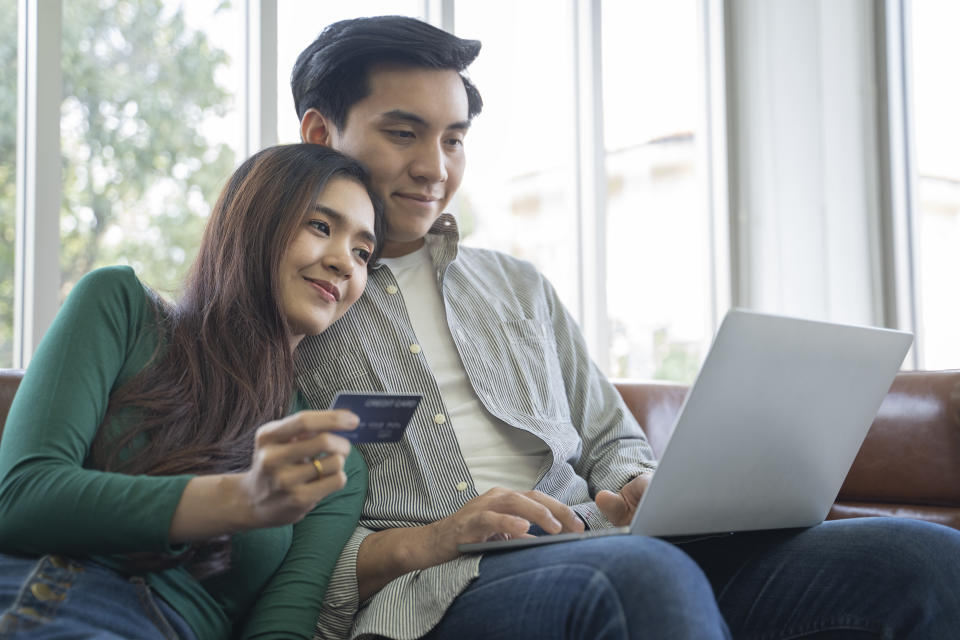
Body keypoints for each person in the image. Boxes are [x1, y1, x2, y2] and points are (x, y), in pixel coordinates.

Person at [292, 16, 960, 640]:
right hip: (438, 587)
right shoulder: (283, 306)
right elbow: (273, 546)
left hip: (606, 547)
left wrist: (642, 488)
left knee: (920, 557)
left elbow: (613, 441)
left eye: (454, 139)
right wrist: (439, 536)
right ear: (321, 135)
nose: (436, 169)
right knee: (643, 580)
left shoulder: (517, 287)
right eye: (404, 134)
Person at [0, 144, 386, 639]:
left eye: (362, 252)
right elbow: (21, 499)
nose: (345, 264)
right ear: (256, 220)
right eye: (321, 226)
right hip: (46, 597)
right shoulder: (119, 309)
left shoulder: (337, 464)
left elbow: (281, 625)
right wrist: (241, 499)